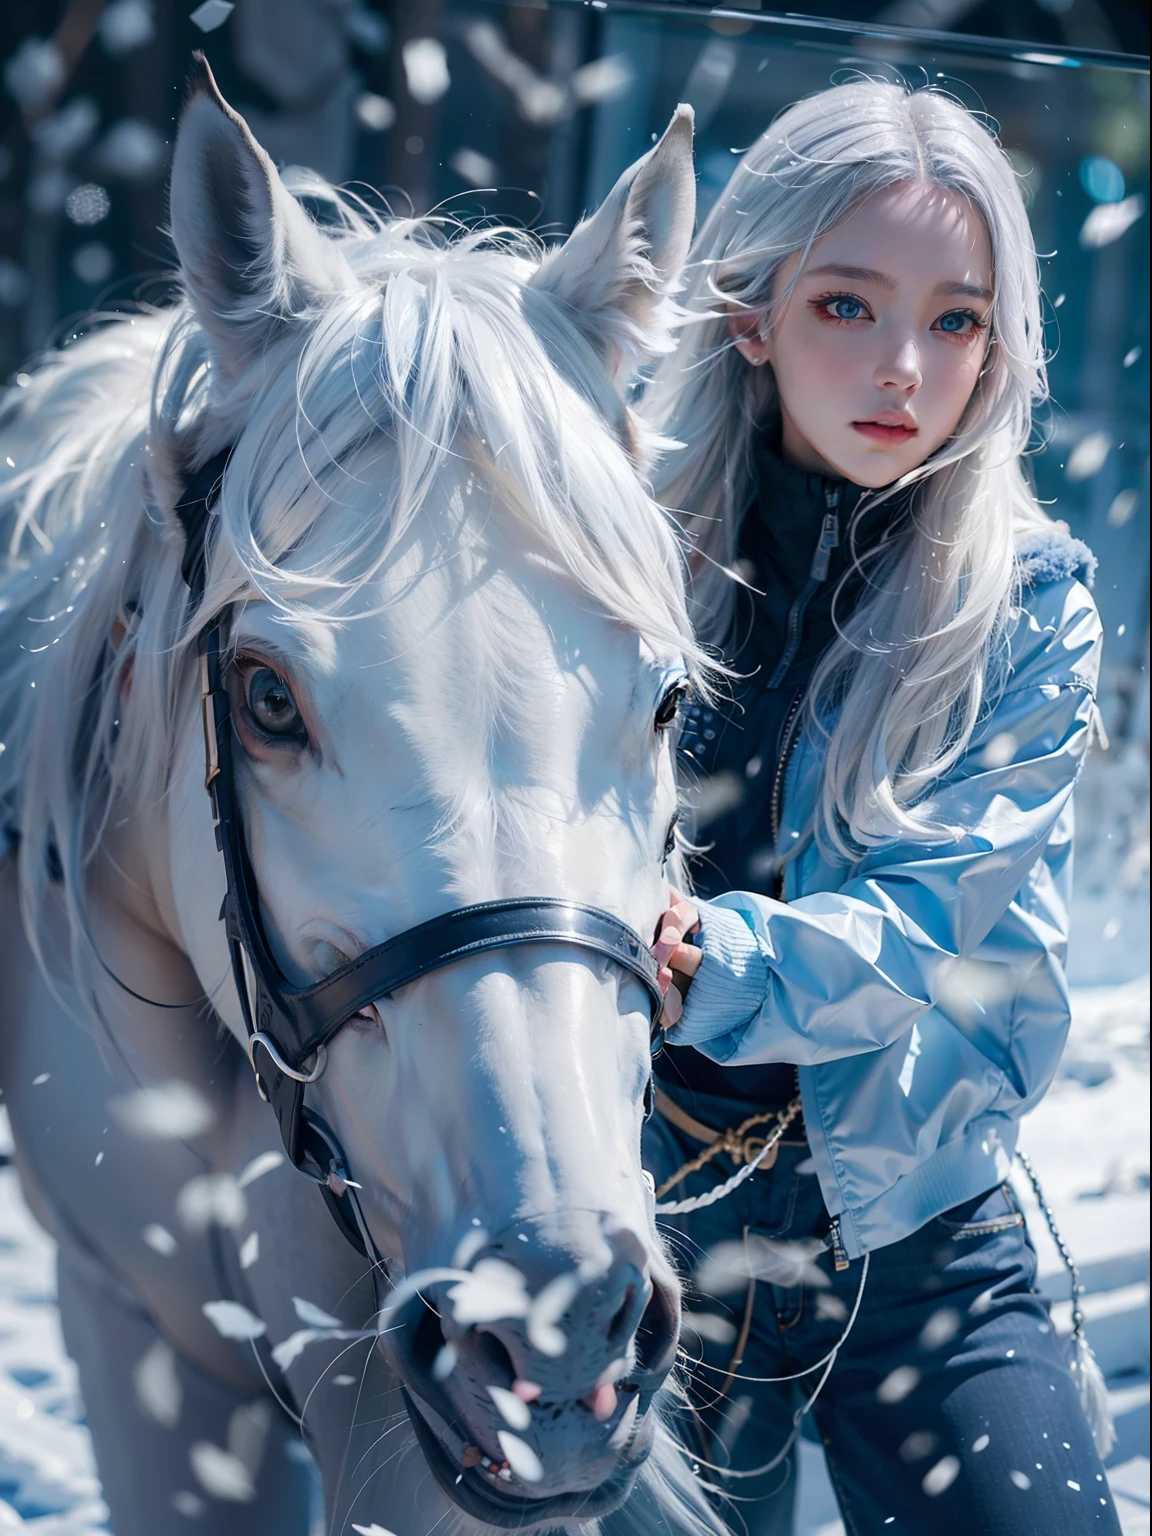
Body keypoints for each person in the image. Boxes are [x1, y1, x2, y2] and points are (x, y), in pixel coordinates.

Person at [640, 81, 1119, 1535]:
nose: (905, 367)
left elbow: (930, 931)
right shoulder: (617, 562)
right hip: (640, 1237)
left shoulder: (1030, 603)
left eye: (956, 320)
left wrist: (705, 957)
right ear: (750, 311)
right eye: (848, 306)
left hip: (914, 1242)